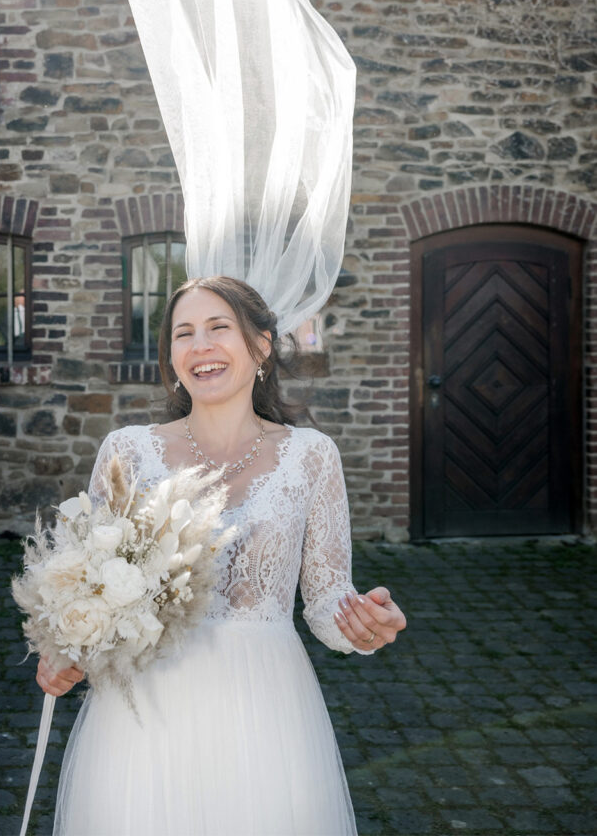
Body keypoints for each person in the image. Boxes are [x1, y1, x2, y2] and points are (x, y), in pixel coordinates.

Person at [38, 276, 406, 836]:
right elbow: (89, 582)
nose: (199, 346)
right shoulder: (129, 451)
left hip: (265, 704)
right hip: (146, 711)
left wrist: (360, 626)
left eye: (218, 329)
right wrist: (64, 648)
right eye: (183, 334)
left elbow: (327, 595)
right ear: (172, 358)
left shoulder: (312, 457)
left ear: (260, 346)